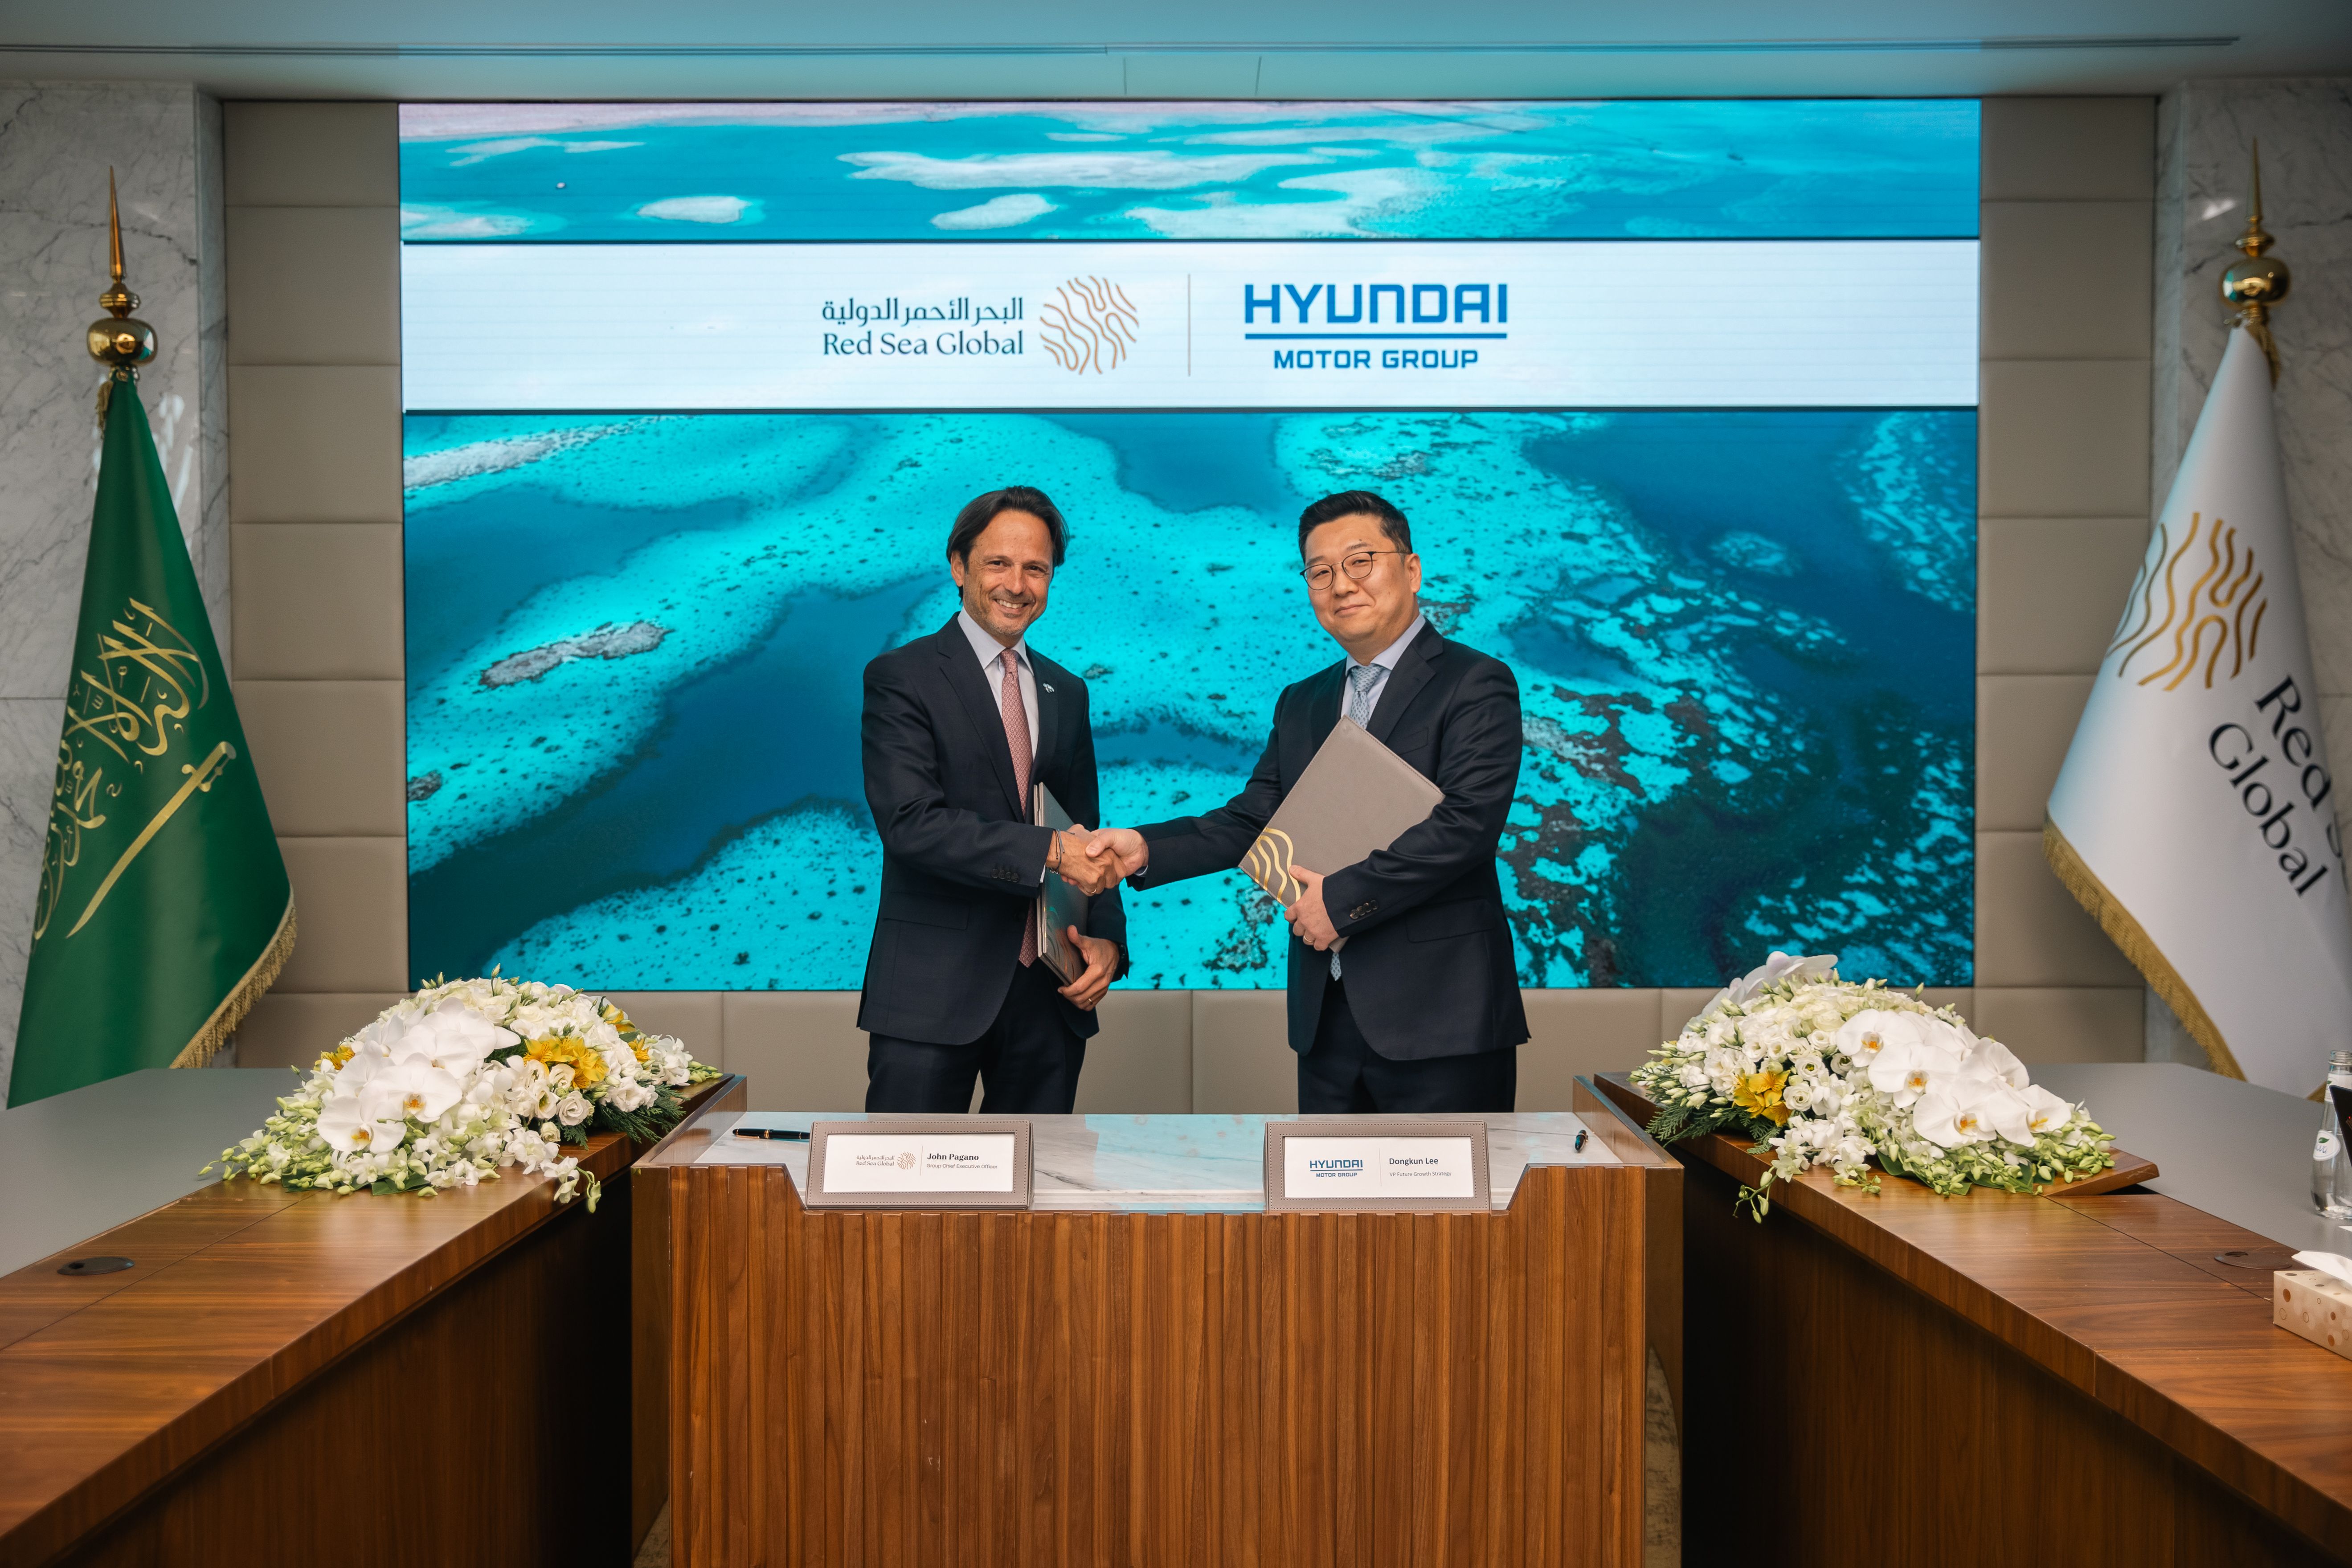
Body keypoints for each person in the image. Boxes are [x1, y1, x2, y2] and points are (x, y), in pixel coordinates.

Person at [1086, 490, 1526, 1112]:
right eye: (1320, 572)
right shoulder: (1303, 701)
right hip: (1327, 1021)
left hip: (1441, 1016)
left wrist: (1341, 902)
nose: (1341, 584)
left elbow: (1467, 825)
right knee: (1326, 1182)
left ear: (1412, 569)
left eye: (1360, 561)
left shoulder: (1475, 682)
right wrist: (1143, 848)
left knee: (1444, 1185)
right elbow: (1256, 819)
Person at [858, 485, 1125, 1114]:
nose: (1017, 584)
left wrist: (1108, 939)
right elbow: (911, 824)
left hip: (1050, 992)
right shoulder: (901, 677)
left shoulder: (1067, 690)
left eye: (1036, 568)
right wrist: (1051, 852)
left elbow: (1084, 830)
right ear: (959, 566)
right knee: (908, 1176)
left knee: (1041, 1174)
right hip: (933, 991)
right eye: (998, 563)